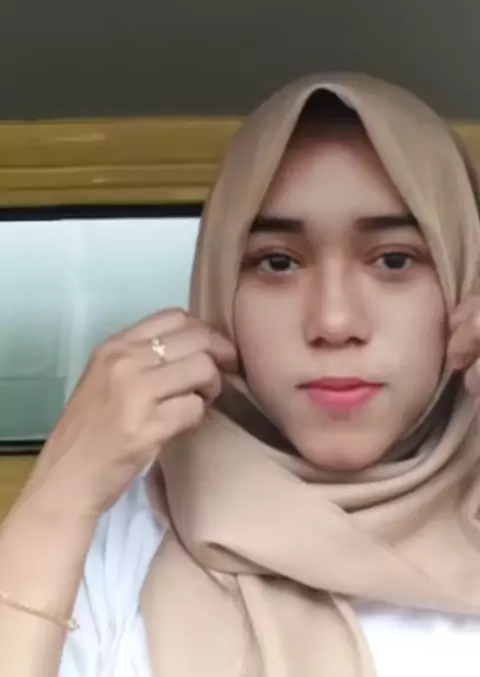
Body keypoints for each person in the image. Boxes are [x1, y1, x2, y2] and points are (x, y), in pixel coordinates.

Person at [1, 73, 480, 677]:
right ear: (220, 288)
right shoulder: (124, 533)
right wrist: (59, 494)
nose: (334, 321)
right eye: (277, 263)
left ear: (464, 276)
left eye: (394, 259)